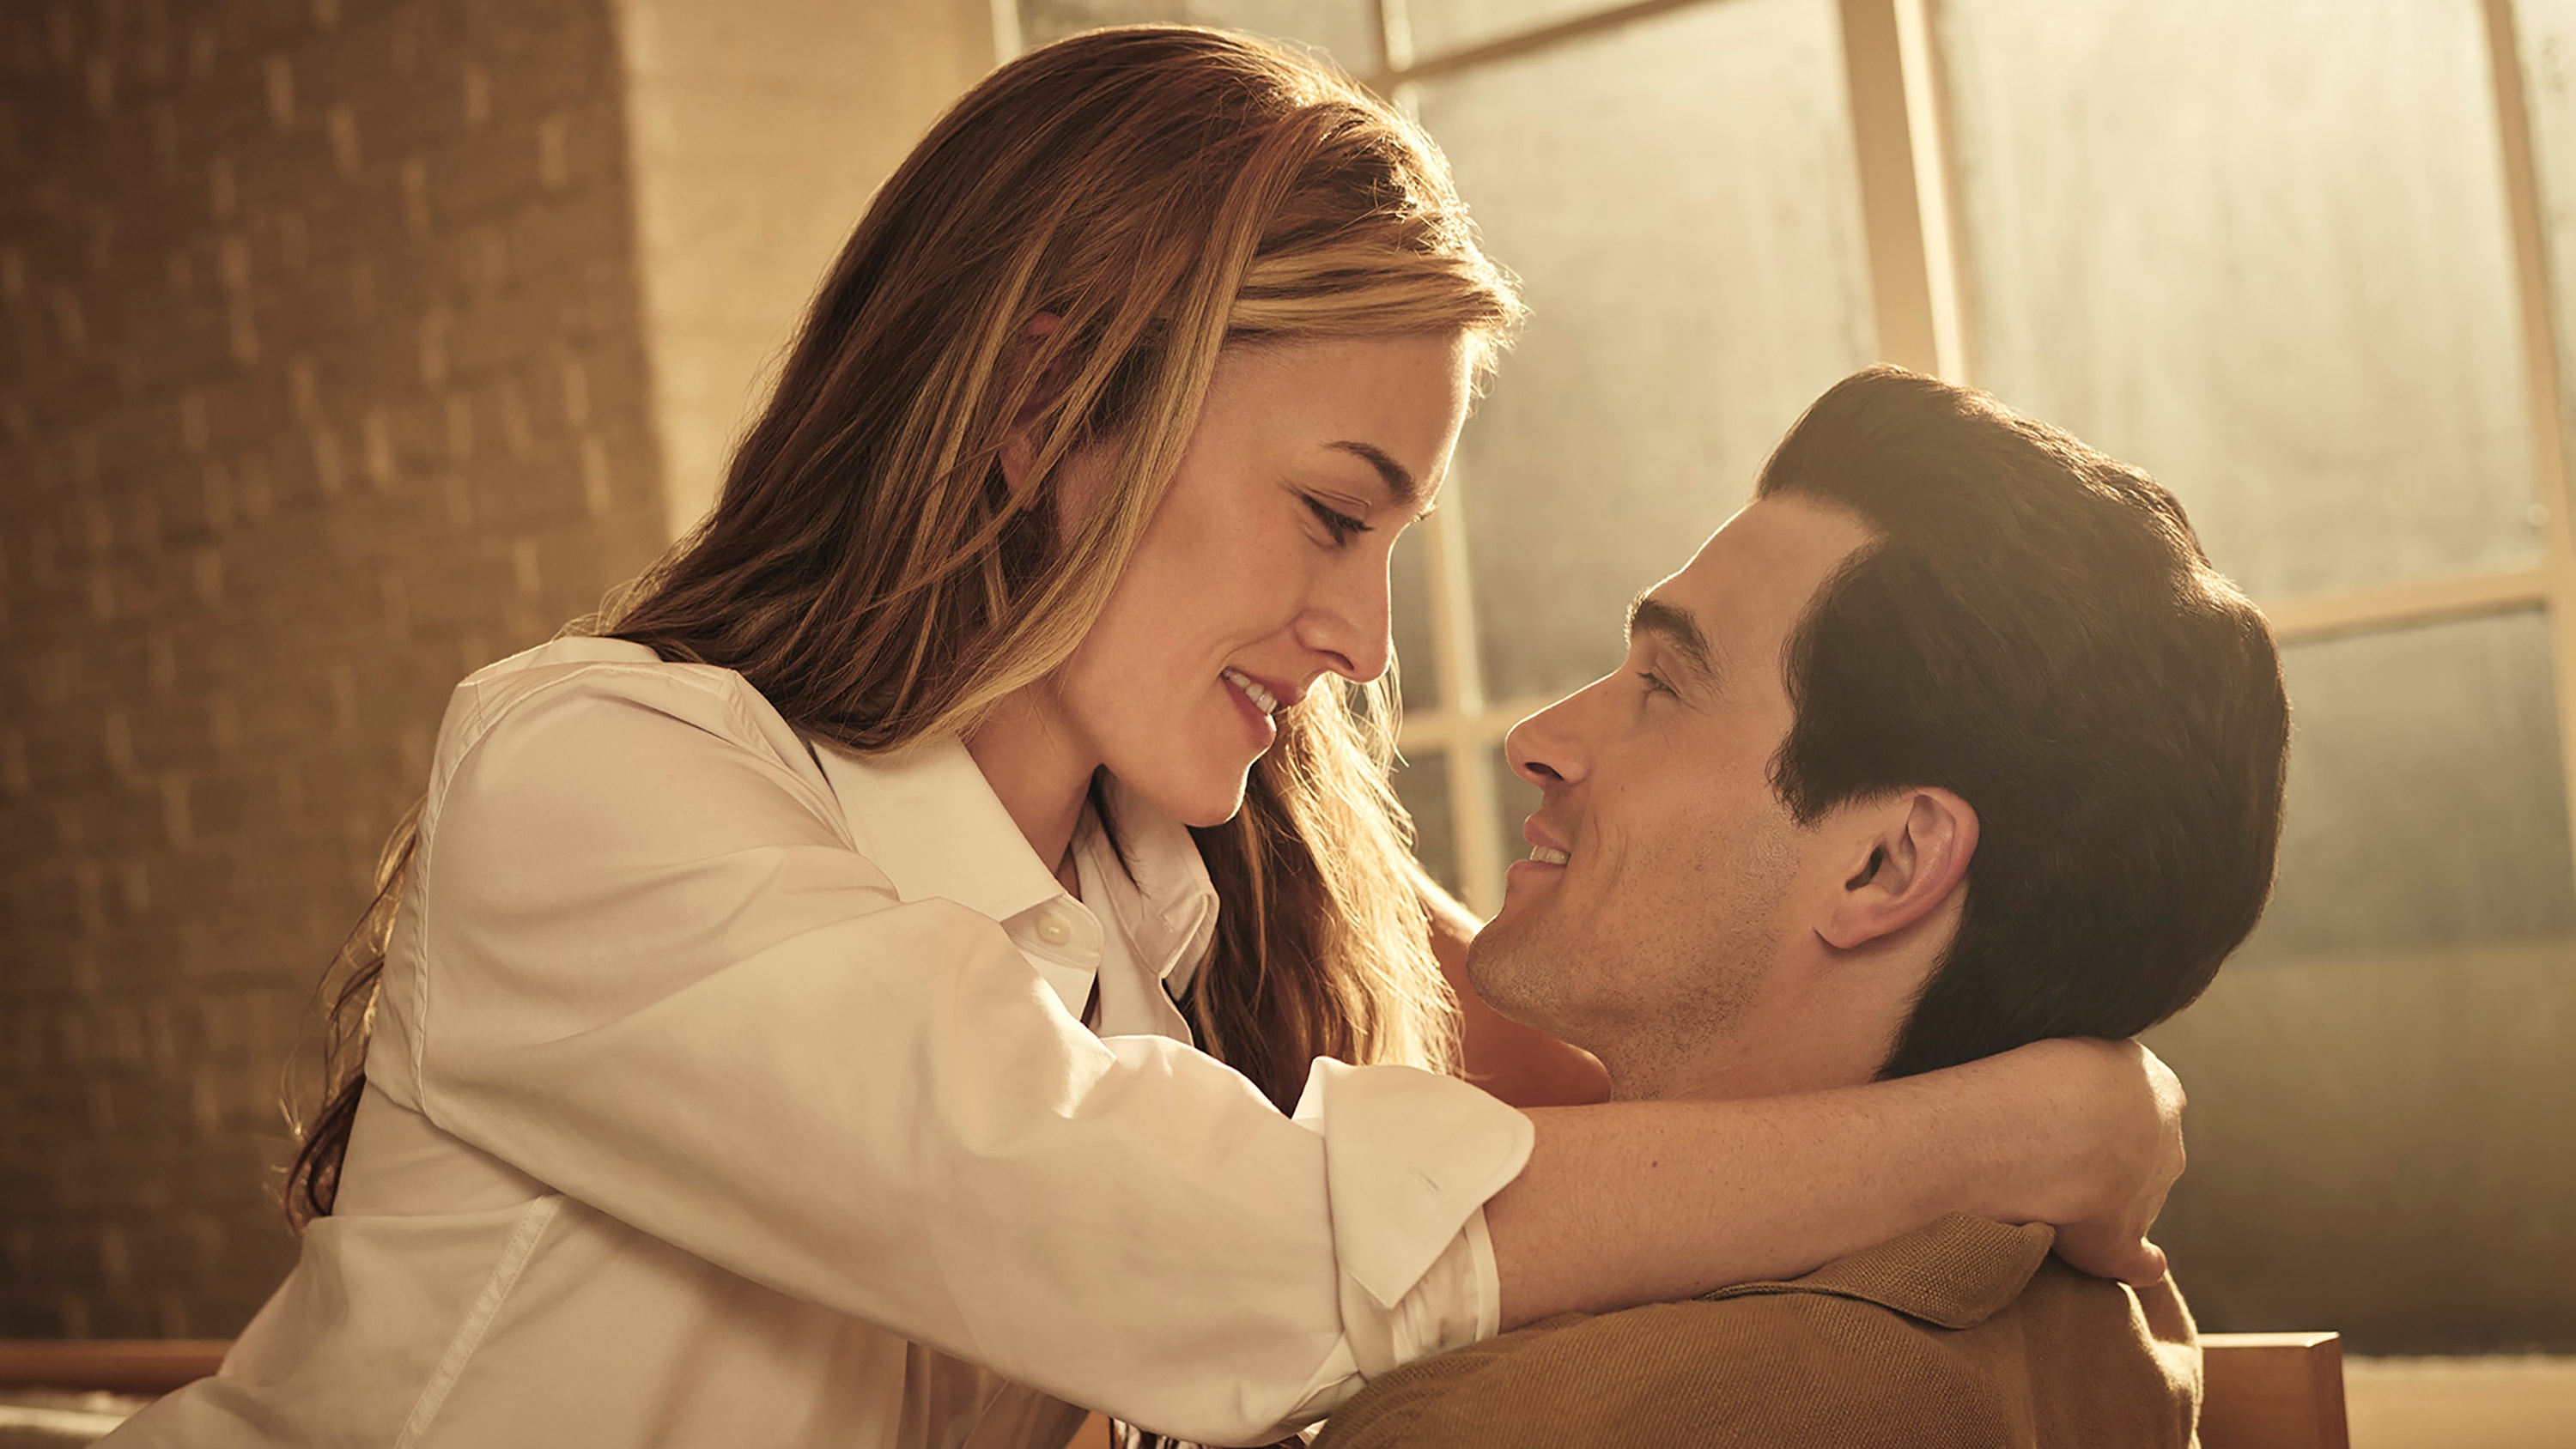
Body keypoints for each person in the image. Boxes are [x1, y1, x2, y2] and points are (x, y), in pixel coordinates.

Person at [109, 32, 2189, 1449]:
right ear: (1046, 409)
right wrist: (2010, 1131)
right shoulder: (594, 774)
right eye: (1328, 509)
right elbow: (1197, 1239)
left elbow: (1647, 1046)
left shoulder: (1180, 889)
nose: (1364, 636)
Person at [1315, 367, 2290, 1449]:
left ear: (1885, 863)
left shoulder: (1524, 1422)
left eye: (1666, 684)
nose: (1538, 736)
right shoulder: (2110, 1333)